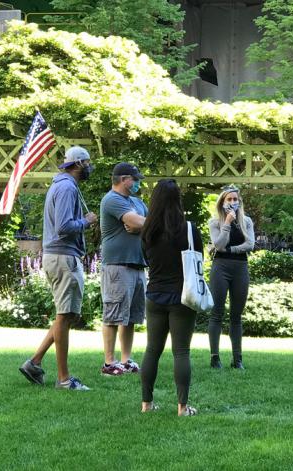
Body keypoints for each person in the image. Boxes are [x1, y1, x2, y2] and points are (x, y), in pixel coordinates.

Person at [19, 146, 97, 391]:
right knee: (65, 316)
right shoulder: (65, 188)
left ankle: (34, 362)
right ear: (78, 164)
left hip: (59, 256)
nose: (89, 168)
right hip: (63, 257)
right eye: (87, 163)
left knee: (66, 315)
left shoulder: (64, 186)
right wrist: (87, 221)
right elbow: (64, 226)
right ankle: (63, 379)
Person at [140, 179, 202, 416]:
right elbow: (198, 259)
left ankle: (146, 404)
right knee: (181, 352)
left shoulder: (147, 230)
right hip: (182, 296)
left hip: (154, 295)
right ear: (178, 200)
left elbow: (146, 258)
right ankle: (182, 407)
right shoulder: (188, 229)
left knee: (152, 350)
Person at [98, 162, 148, 376]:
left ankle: (126, 360)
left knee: (130, 318)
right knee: (113, 314)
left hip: (138, 265)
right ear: (123, 179)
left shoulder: (137, 202)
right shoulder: (112, 199)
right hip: (117, 266)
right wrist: (140, 224)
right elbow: (135, 221)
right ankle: (109, 363)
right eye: (134, 179)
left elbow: (147, 224)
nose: (137, 183)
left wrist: (142, 227)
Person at [208, 185, 254, 369]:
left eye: (235, 199)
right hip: (220, 267)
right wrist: (227, 223)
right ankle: (215, 357)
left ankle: (238, 359)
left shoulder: (247, 221)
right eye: (229, 199)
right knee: (216, 313)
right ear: (223, 202)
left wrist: (231, 249)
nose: (233, 202)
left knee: (236, 315)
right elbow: (218, 245)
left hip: (240, 268)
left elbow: (250, 244)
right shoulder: (215, 222)